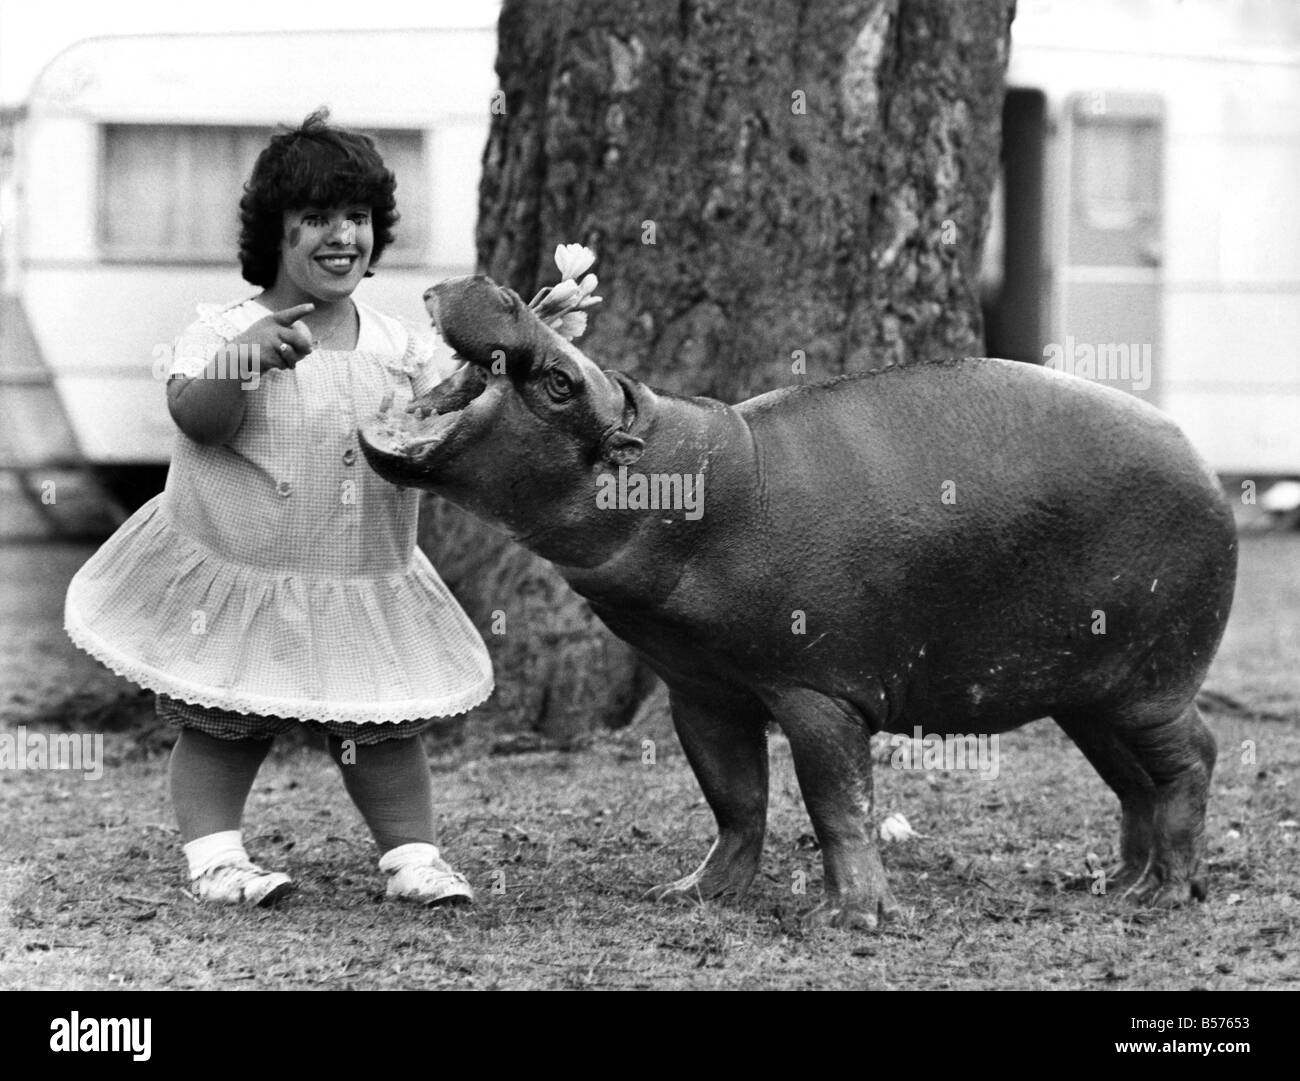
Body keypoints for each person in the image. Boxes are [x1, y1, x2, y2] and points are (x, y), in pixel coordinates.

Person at [64, 108, 493, 907]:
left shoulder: (398, 346)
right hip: (246, 568)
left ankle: (412, 857)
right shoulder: (224, 329)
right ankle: (218, 858)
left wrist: (502, 377)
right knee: (224, 721)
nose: (342, 236)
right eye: (316, 218)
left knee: (383, 729)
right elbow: (200, 420)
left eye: (358, 218)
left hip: (359, 572)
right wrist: (245, 358)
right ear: (276, 232)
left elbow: (443, 426)